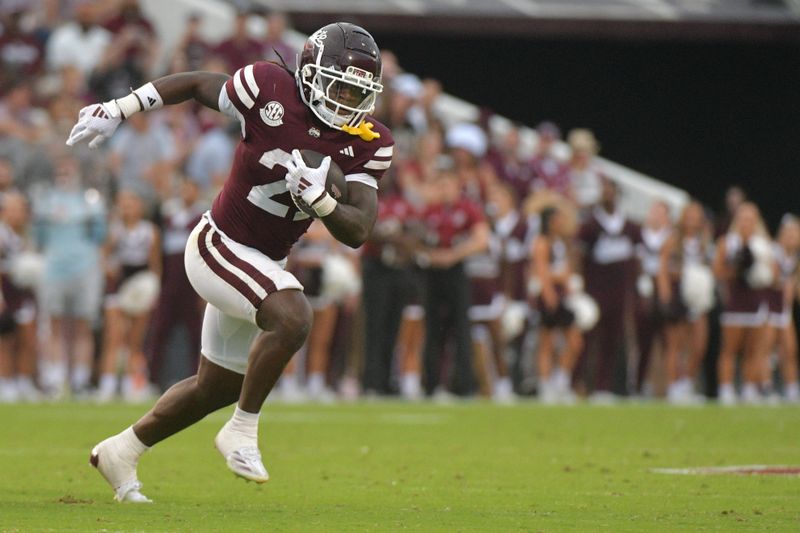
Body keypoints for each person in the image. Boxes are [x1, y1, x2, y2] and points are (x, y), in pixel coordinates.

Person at [66, 22, 393, 502]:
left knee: (212, 387)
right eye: (339, 84)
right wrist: (119, 107)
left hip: (262, 262)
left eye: (357, 91)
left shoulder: (369, 139)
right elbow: (197, 83)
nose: (347, 99)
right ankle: (242, 430)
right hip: (218, 244)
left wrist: (322, 203)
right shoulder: (269, 86)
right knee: (293, 314)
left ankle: (122, 450)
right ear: (310, 72)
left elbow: (359, 229)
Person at [32, 155, 106, 397]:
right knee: (53, 323)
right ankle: (54, 378)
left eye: (69, 170)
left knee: (83, 325)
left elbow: (99, 235)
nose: (64, 175)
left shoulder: (90, 201)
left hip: (85, 266)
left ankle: (80, 380)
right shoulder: (45, 200)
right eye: (61, 171)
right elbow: (39, 237)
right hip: (54, 267)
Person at [417, 170, 489, 398]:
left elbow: (481, 240)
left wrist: (453, 255)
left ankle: (464, 386)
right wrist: (429, 254)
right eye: (442, 185)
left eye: (449, 184)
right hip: (432, 273)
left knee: (461, 329)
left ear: (458, 186)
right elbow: (414, 240)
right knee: (432, 330)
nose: (445, 190)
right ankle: (431, 386)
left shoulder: (468, 209)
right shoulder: (430, 211)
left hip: (457, 272)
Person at [576, 180, 640, 399]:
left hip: (620, 292)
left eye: (611, 191)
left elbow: (635, 260)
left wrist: (638, 285)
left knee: (613, 338)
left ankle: (604, 386)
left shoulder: (630, 226)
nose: (608, 195)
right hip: (594, 290)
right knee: (588, 338)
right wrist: (579, 284)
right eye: (604, 191)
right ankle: (581, 384)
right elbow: (579, 256)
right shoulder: (590, 225)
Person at [96, 190, 162, 402]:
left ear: (140, 208)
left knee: (135, 339)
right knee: (114, 337)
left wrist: (153, 290)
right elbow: (103, 255)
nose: (127, 209)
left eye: (131, 204)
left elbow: (155, 265)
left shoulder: (150, 231)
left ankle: (131, 385)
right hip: (118, 285)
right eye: (123, 204)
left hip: (139, 286)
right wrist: (107, 268)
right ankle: (107, 385)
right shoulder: (114, 231)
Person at [713, 202, 771, 405]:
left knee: (753, 349)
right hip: (735, 303)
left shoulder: (763, 244)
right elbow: (717, 272)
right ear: (737, 221)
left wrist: (759, 272)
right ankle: (726, 389)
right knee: (729, 348)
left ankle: (749, 388)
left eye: (751, 219)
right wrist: (736, 268)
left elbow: (773, 274)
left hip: (756, 302)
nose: (747, 223)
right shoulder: (727, 243)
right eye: (743, 219)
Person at [656, 201, 713, 403]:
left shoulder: (704, 241)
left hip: (698, 298)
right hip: (677, 294)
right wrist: (665, 295)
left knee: (698, 344)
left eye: (695, 215)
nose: (691, 219)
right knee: (675, 344)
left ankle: (686, 383)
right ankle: (673, 388)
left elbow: (710, 269)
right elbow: (662, 268)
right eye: (688, 214)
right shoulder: (673, 239)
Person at [530, 206, 583, 403]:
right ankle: (546, 387)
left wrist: (569, 285)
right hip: (550, 296)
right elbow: (541, 271)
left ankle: (561, 381)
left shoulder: (560, 242)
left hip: (563, 296)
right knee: (547, 342)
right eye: (558, 219)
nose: (561, 223)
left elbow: (565, 268)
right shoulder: (542, 242)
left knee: (575, 341)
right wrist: (550, 294)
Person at [0, 192, 39, 402]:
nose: (15, 214)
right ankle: (5, 383)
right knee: (5, 339)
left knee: (27, 337)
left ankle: (24, 381)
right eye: (11, 209)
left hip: (23, 291)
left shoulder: (27, 236)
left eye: (20, 210)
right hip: (5, 289)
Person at [758, 215, 799, 403]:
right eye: (790, 232)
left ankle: (791, 389)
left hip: (784, 308)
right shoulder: (773, 252)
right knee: (766, 348)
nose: (793, 236)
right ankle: (765, 387)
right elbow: (771, 278)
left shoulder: (796, 256)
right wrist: (787, 284)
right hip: (769, 306)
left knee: (789, 349)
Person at [634, 201, 672, 396]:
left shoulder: (673, 238)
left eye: (661, 212)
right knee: (643, 341)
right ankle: (640, 385)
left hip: (667, 290)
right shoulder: (639, 235)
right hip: (644, 290)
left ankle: (670, 386)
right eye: (654, 211)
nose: (656, 215)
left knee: (670, 342)